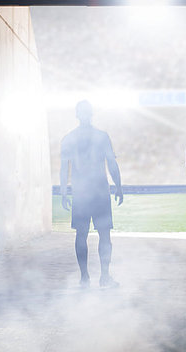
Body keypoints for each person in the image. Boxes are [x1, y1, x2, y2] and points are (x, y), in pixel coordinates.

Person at [60, 100, 123, 288]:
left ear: (77, 114)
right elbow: (111, 163)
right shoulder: (101, 136)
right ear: (91, 113)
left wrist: (64, 192)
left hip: (81, 192)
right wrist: (118, 186)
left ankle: (85, 277)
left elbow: (65, 168)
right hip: (99, 191)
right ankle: (104, 277)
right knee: (104, 234)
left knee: (81, 234)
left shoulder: (69, 138)